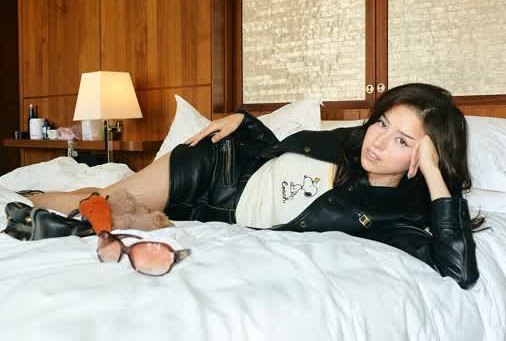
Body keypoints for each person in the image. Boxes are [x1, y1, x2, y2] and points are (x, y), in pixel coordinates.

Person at [29, 83, 482, 289]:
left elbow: (459, 270)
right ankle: (26, 202)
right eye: (381, 123)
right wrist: (242, 121)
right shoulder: (350, 141)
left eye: (402, 141)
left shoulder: (394, 216)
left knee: (115, 200)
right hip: (216, 167)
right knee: (105, 197)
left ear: (425, 156)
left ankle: (58, 218)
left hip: (213, 212)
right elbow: (279, 152)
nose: (378, 141)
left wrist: (435, 175)